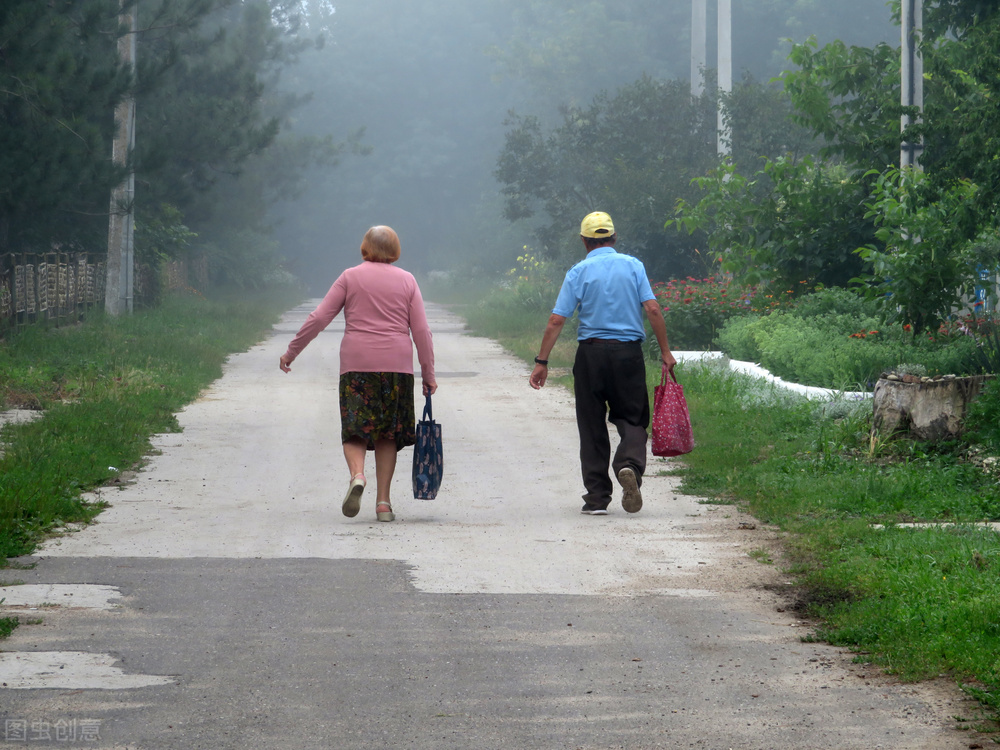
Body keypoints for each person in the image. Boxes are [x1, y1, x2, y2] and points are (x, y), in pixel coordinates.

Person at [279, 225, 436, 523]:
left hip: (356, 365)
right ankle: (384, 504)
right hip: (396, 368)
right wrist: (428, 373)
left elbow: (320, 317)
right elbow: (421, 332)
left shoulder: (349, 277)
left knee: (355, 428)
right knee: (388, 433)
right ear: (395, 249)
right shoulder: (407, 280)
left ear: (364, 247)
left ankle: (357, 475)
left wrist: (292, 351)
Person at [529, 211, 675, 515]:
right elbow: (653, 309)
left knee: (592, 424)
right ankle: (629, 466)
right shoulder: (633, 266)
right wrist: (665, 352)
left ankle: (597, 499)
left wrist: (542, 361)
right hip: (628, 354)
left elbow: (556, 320)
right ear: (614, 238)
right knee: (632, 418)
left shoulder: (578, 271)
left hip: (591, 356)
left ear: (584, 241)